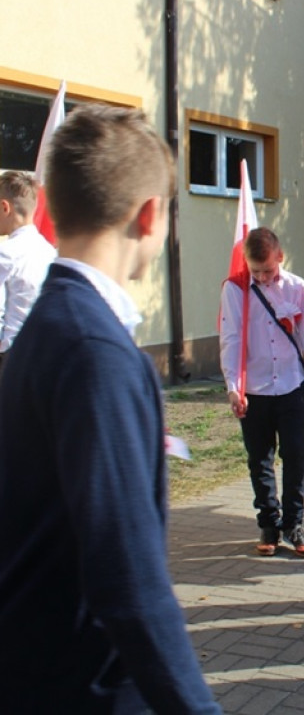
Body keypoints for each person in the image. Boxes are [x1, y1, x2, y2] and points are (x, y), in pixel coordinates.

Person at [0, 103, 220, 712]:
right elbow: (130, 581)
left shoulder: (52, 325)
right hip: (83, 687)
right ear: (150, 215)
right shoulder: (92, 349)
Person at [219, 227, 304, 558]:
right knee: (260, 458)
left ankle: (294, 523)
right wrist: (233, 387)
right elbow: (231, 338)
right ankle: (269, 522)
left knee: (296, 454)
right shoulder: (236, 289)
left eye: (267, 270)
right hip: (254, 389)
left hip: (290, 385)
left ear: (280, 257)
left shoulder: (297, 288)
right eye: (255, 270)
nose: (261, 276)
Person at [0, 170, 56, 371]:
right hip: (46, 352)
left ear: (4, 207)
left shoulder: (5, 253)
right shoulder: (50, 252)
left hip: (11, 356)